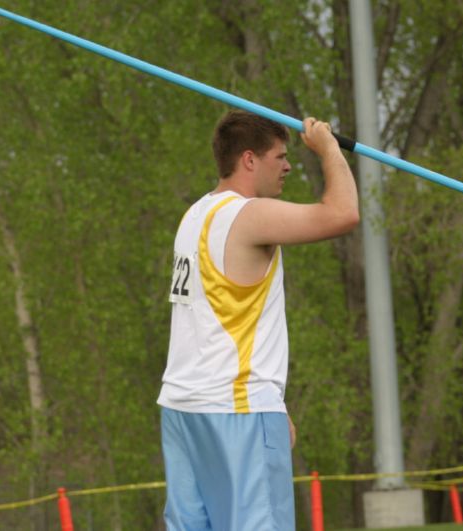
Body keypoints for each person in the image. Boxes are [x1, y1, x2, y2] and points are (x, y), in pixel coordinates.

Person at [157, 110, 359, 530]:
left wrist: (272, 402)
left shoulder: (194, 215)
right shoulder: (248, 215)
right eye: (279, 157)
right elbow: (343, 213)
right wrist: (329, 149)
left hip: (182, 408)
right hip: (236, 411)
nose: (287, 167)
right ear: (249, 160)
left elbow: (214, 322)